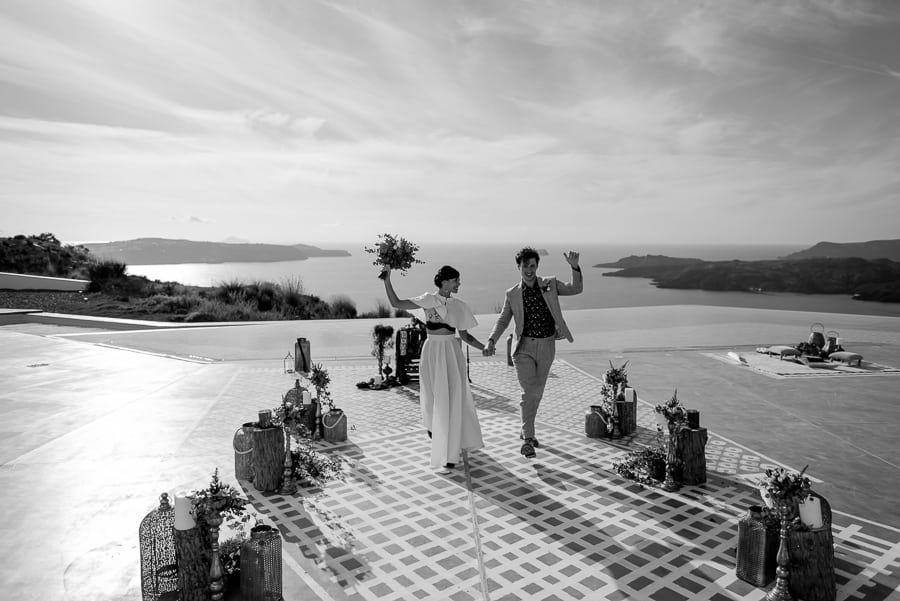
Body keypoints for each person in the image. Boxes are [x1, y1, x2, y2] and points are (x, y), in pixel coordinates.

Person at [382, 265, 486, 474]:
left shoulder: (459, 306)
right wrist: (387, 280)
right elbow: (395, 302)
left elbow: (465, 337)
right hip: (431, 352)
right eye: (456, 280)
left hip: (451, 352)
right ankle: (434, 429)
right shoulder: (428, 299)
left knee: (453, 398)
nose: (458, 284)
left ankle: (449, 453)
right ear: (445, 281)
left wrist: (485, 348)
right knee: (431, 397)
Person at [484, 247, 582, 458]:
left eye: (532, 266)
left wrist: (574, 267)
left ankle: (525, 427)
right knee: (529, 392)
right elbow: (503, 320)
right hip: (523, 349)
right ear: (518, 267)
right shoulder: (512, 293)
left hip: (547, 345)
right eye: (525, 266)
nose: (529, 270)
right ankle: (528, 438)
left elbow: (575, 289)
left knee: (537, 392)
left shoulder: (550, 284)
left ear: (537, 266)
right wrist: (492, 340)